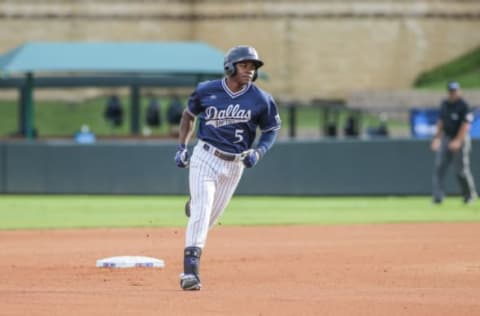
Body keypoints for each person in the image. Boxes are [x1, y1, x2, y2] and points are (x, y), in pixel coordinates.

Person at [174, 45, 281, 291]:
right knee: (202, 212)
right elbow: (188, 116)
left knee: (208, 218)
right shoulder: (206, 90)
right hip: (206, 156)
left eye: (253, 67)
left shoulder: (261, 99)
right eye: (244, 66)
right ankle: (190, 273)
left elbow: (271, 130)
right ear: (229, 67)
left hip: (235, 165)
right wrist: (182, 147)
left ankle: (196, 204)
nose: (250, 71)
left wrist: (259, 151)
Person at [431, 81, 477, 204]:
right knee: (439, 168)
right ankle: (437, 197)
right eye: (451, 91)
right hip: (446, 137)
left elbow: (466, 125)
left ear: (459, 91)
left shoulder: (464, 105)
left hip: (460, 138)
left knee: (461, 170)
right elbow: (441, 122)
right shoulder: (445, 104)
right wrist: (436, 138)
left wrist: (458, 140)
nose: (453, 93)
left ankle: (469, 195)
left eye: (455, 91)